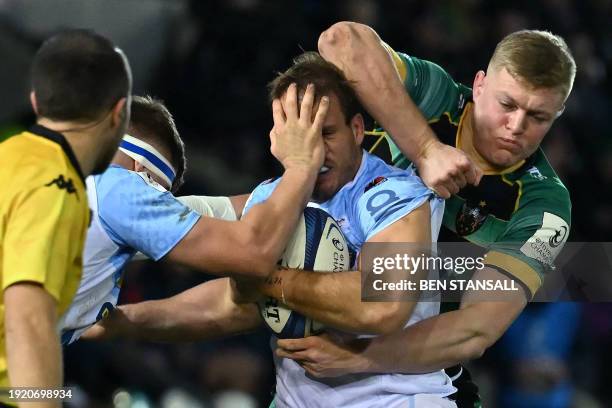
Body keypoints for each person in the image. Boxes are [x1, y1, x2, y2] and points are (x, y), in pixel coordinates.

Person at [85, 52, 457, 407]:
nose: (315, 152)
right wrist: (126, 322)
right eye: (302, 137)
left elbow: (382, 306)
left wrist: (265, 277)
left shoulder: (396, 194)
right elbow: (232, 306)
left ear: (357, 129)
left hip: (394, 398)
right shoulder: (275, 198)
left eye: (326, 133)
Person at [261, 23, 576, 407]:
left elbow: (475, 330)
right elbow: (338, 41)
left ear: (558, 114)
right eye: (506, 104)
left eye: (538, 117)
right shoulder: (437, 97)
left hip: (416, 372)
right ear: (479, 86)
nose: (516, 127)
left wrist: (362, 358)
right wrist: (426, 149)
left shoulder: (545, 208)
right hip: (309, 339)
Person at [58, 91, 323, 345]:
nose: (320, 146)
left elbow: (227, 210)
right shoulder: (120, 189)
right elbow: (251, 253)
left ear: (358, 129)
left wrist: (365, 355)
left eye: (325, 134)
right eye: (158, 193)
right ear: (141, 172)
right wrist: (300, 166)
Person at [0, 29, 132, 407]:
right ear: (118, 113)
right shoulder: (56, 186)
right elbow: (28, 314)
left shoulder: (9, 157)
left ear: (36, 101)